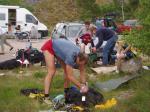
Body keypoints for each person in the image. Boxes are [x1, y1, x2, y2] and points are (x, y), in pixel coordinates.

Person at [41, 38, 89, 104]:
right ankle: (46, 97)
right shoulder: (71, 57)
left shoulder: (81, 56)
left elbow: (82, 71)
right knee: (52, 71)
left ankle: (66, 93)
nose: (79, 66)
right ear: (78, 59)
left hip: (60, 48)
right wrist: (81, 87)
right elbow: (70, 76)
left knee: (66, 71)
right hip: (49, 46)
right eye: (79, 64)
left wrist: (84, 84)